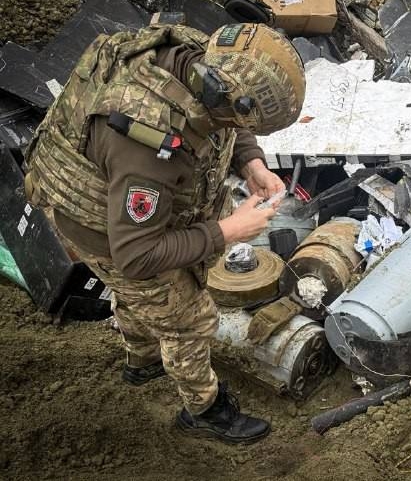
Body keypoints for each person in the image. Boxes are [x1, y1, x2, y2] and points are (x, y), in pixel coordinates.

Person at [25, 22, 305, 443]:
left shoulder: (198, 60)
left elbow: (229, 116)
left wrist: (252, 162)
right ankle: (205, 410)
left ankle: (142, 359)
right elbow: (135, 257)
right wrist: (228, 230)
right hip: (106, 229)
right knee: (188, 319)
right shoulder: (147, 144)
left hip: (127, 214)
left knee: (140, 298)